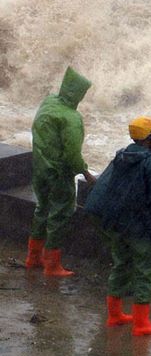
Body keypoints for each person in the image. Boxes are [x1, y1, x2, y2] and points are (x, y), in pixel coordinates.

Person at [84, 116, 151, 336]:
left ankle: (115, 315)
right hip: (140, 227)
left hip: (117, 224)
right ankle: (142, 323)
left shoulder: (122, 155)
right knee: (146, 271)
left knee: (121, 265)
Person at [26, 66, 96, 276]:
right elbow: (72, 154)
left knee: (42, 209)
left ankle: (33, 257)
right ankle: (52, 265)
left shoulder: (48, 102)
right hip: (59, 174)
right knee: (60, 214)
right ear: (79, 94)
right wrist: (85, 173)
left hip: (40, 167)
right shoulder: (71, 118)